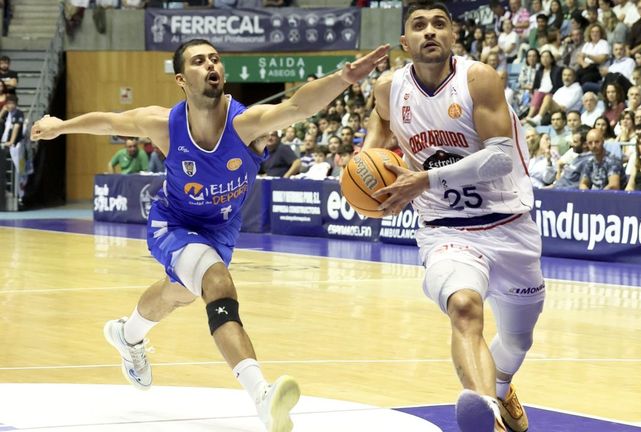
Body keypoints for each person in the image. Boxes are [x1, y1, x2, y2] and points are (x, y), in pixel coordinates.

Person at [31, 38, 388, 432]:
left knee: (178, 293)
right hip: (174, 222)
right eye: (199, 61)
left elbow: (299, 106)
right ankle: (262, 397)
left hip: (220, 229)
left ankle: (127, 334)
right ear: (182, 79)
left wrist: (344, 77)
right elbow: (111, 121)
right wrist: (60, 126)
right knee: (217, 284)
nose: (210, 64)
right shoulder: (163, 124)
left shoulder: (246, 124)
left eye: (215, 59)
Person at [362, 3, 544, 432]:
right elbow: (379, 134)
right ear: (404, 42)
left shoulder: (478, 79)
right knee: (464, 307)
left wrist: (423, 179)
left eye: (439, 24)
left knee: (518, 339)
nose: (430, 32)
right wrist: (364, 171)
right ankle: (487, 414)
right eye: (419, 25)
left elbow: (500, 159)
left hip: (509, 225)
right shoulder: (389, 88)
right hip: (445, 228)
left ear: (453, 36)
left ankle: (500, 386)